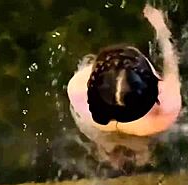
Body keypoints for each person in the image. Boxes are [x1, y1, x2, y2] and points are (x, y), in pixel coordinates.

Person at [67, 4, 182, 169]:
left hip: (99, 128)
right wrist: (162, 30)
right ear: (154, 90)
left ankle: (108, 150)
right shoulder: (165, 109)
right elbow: (171, 67)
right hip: (145, 130)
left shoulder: (77, 89)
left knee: (107, 142)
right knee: (141, 146)